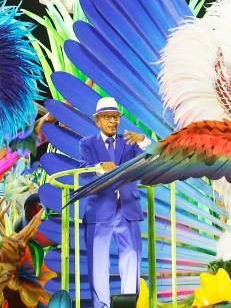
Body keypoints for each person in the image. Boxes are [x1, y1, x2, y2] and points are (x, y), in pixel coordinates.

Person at [79, 98, 150, 308]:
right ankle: (102, 306)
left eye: (115, 117)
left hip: (127, 207)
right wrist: (100, 166)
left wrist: (144, 140)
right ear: (98, 121)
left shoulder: (130, 143)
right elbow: (84, 172)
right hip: (100, 208)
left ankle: (129, 304)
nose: (113, 121)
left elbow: (151, 159)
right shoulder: (87, 143)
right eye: (107, 117)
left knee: (132, 256)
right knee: (98, 260)